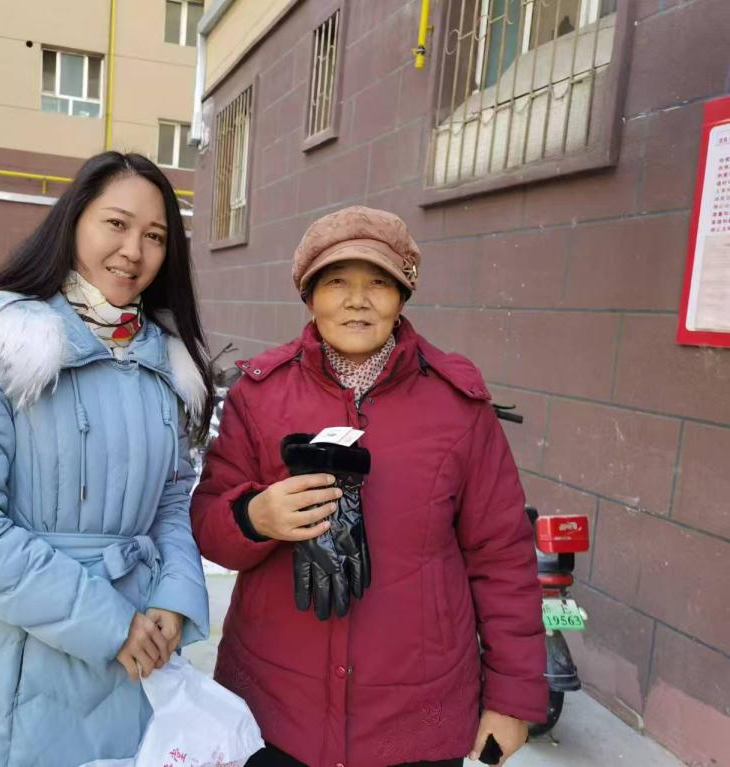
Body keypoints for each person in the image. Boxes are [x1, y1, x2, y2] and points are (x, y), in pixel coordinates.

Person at [191, 206, 546, 767]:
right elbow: (209, 526)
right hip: (276, 709)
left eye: (378, 282)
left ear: (403, 295)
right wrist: (255, 517)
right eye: (336, 282)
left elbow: (501, 554)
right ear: (309, 296)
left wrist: (511, 698)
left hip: (416, 720)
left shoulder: (457, 406)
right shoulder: (259, 395)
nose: (357, 300)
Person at [0, 152, 213, 767]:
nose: (134, 251)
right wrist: (109, 624)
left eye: (155, 236)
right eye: (116, 224)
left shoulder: (164, 361)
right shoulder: (6, 344)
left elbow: (170, 500)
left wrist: (175, 597)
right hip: (19, 667)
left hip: (139, 663)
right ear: (74, 221)